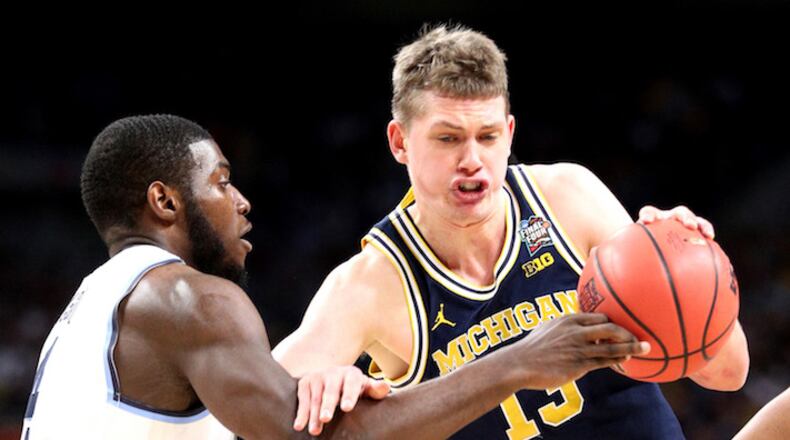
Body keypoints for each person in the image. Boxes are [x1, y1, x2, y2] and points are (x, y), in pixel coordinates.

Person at [21, 114, 650, 439]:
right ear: (164, 202)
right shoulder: (189, 298)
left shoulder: (88, 311)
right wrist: (521, 361)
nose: (241, 201)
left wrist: (319, 387)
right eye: (220, 182)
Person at [273, 24, 750, 438]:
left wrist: (690, 266)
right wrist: (322, 388)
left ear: (510, 133)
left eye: (488, 137)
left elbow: (730, 373)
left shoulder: (568, 197)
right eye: (448, 138)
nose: (472, 161)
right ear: (400, 142)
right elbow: (245, 415)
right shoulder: (370, 284)